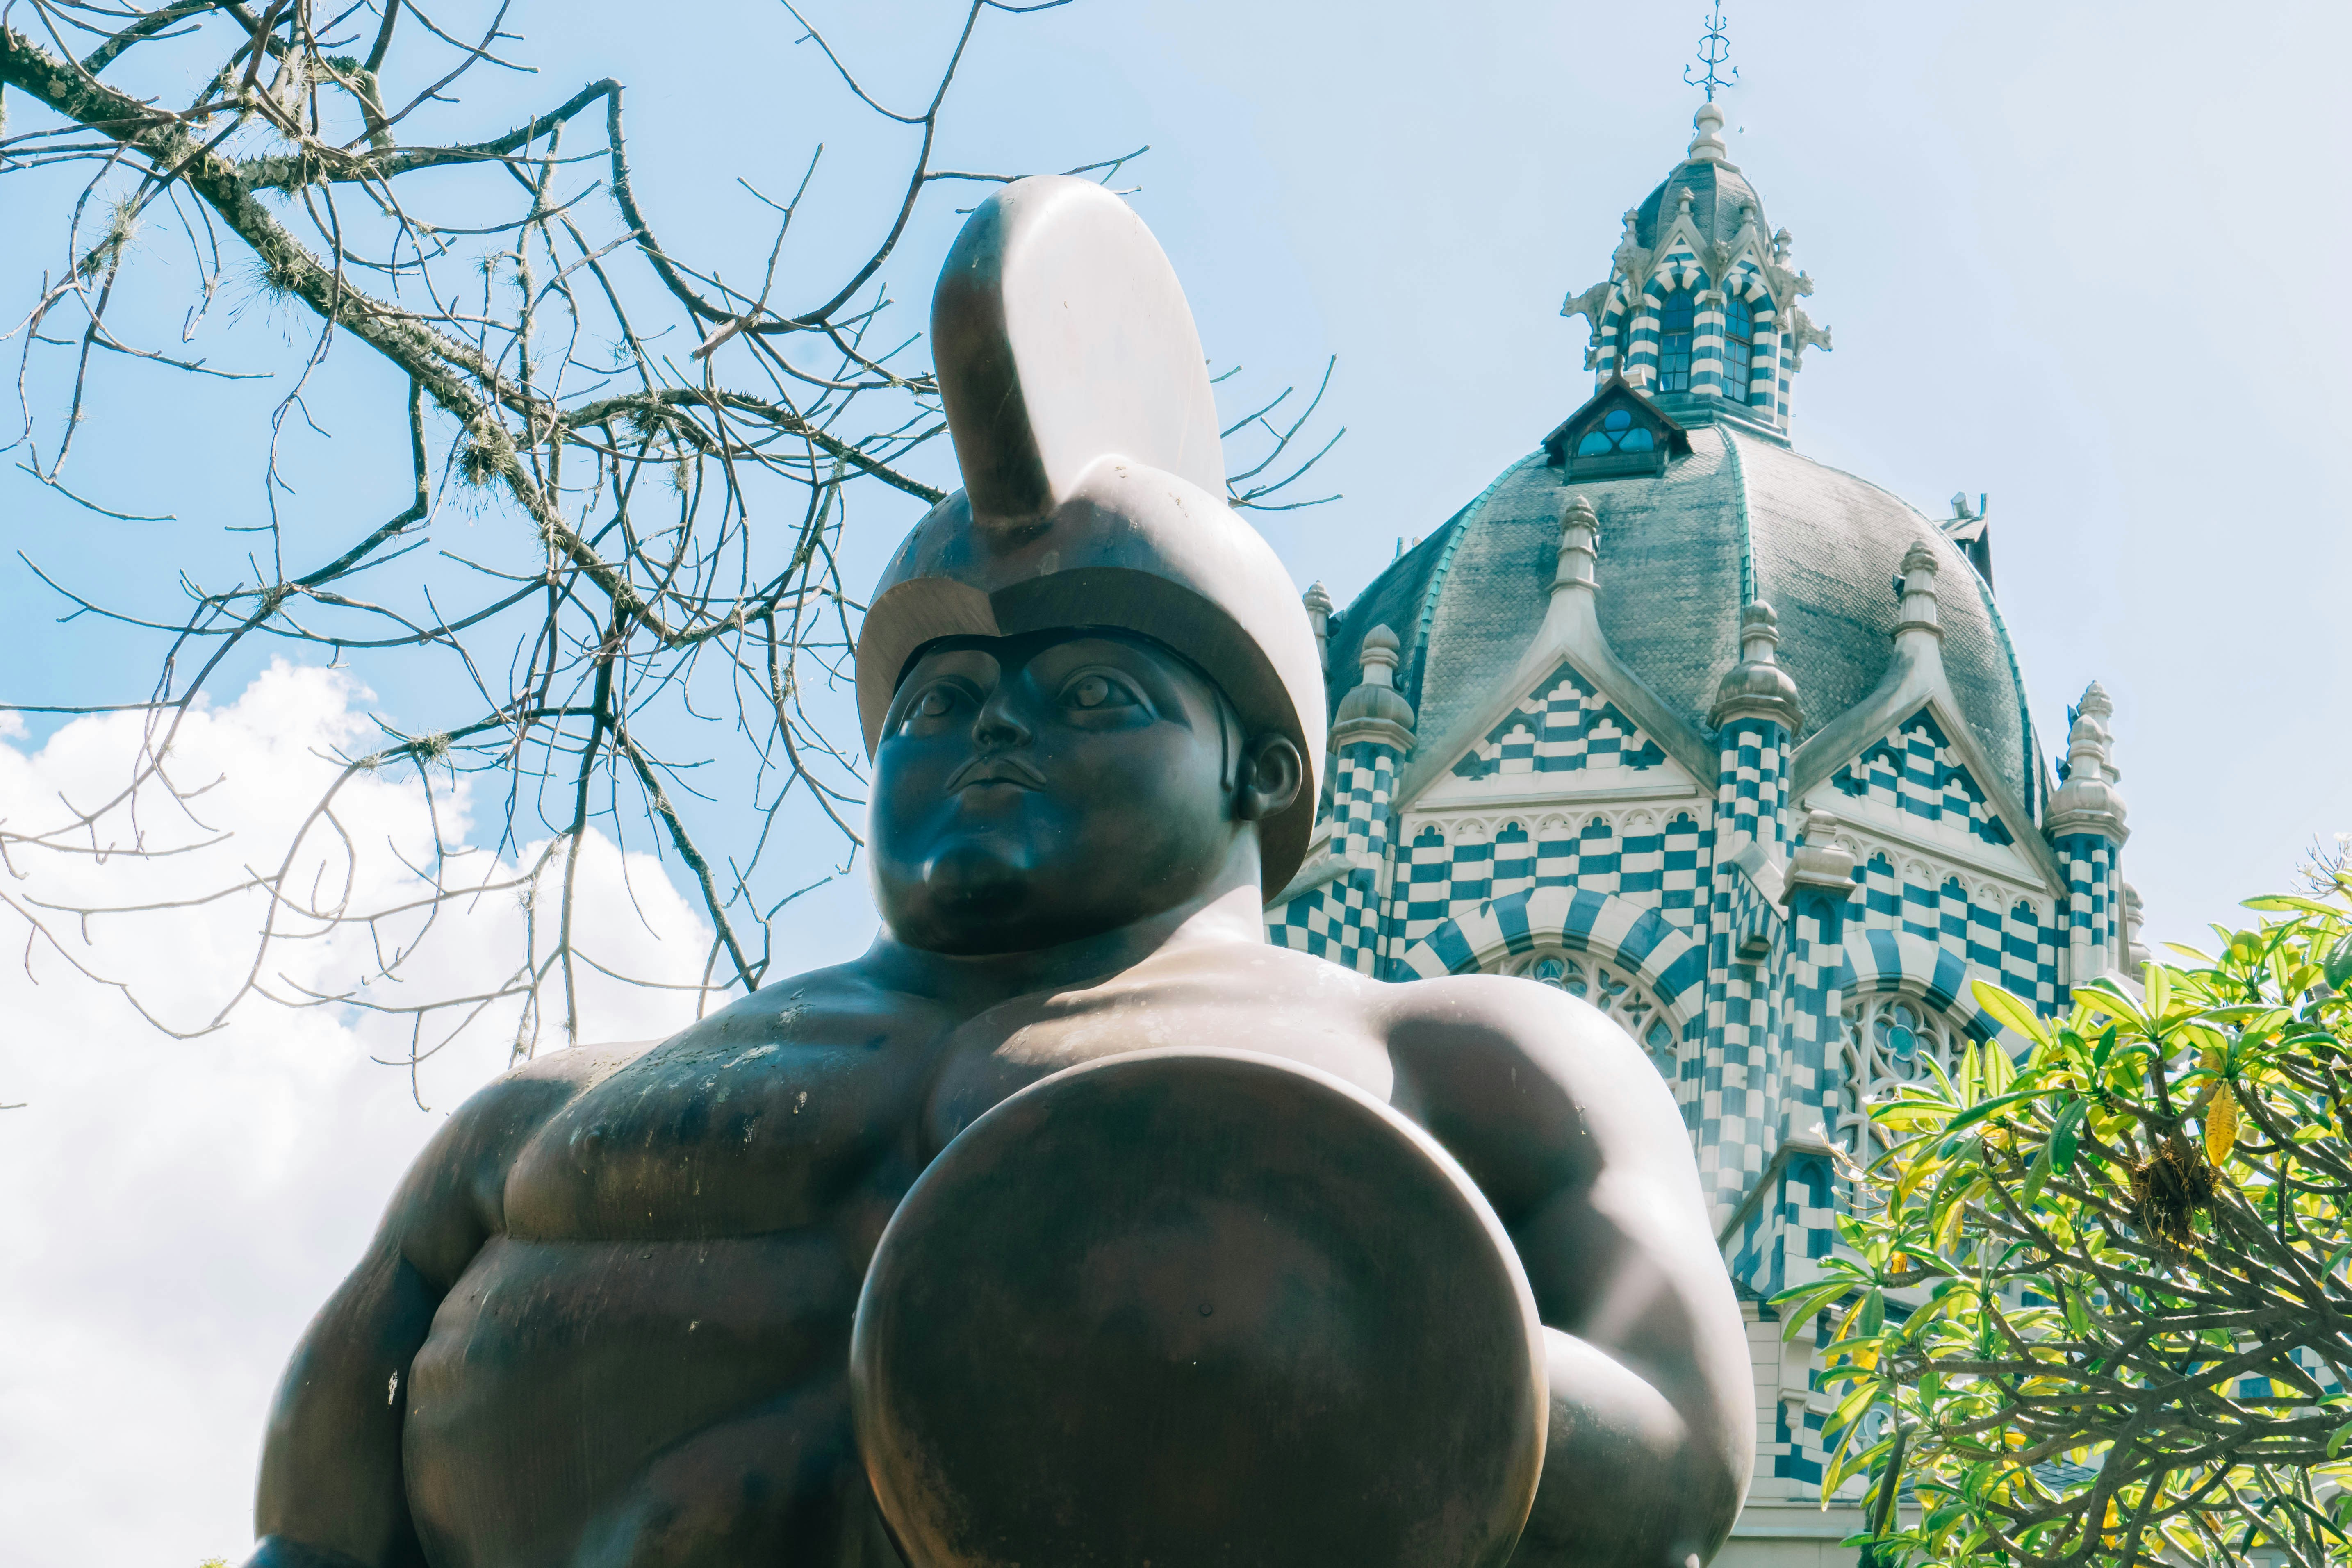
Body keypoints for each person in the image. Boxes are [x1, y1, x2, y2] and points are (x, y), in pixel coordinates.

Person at [245, 176, 1752, 1568]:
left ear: (1265, 770)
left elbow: (1677, 1460)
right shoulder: (538, 1117)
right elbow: (307, 1534)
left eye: (1093, 692)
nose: (995, 732)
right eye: (940, 700)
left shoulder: (1466, 1054)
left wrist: (1329, 1318)